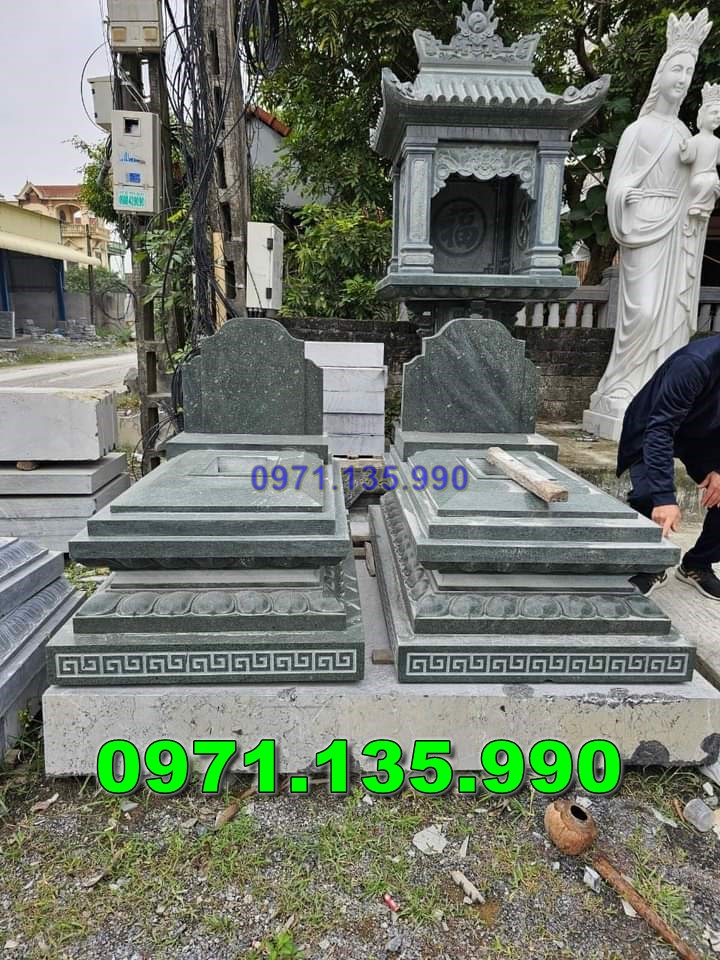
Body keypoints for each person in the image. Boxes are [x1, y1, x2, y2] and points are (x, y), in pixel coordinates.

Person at [589, 9, 712, 424]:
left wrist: (704, 192)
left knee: (671, 317)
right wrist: (627, 196)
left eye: (688, 71)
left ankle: (657, 389)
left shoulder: (685, 134)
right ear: (661, 74)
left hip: (676, 229)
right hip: (644, 223)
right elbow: (617, 186)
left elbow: (697, 184)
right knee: (641, 311)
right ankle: (621, 384)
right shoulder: (637, 132)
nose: (682, 79)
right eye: (677, 68)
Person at [617, 334, 720, 599]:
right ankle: (651, 565)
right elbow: (660, 430)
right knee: (648, 496)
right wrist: (664, 497)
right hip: (654, 426)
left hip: (705, 436)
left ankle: (697, 564)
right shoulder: (694, 363)